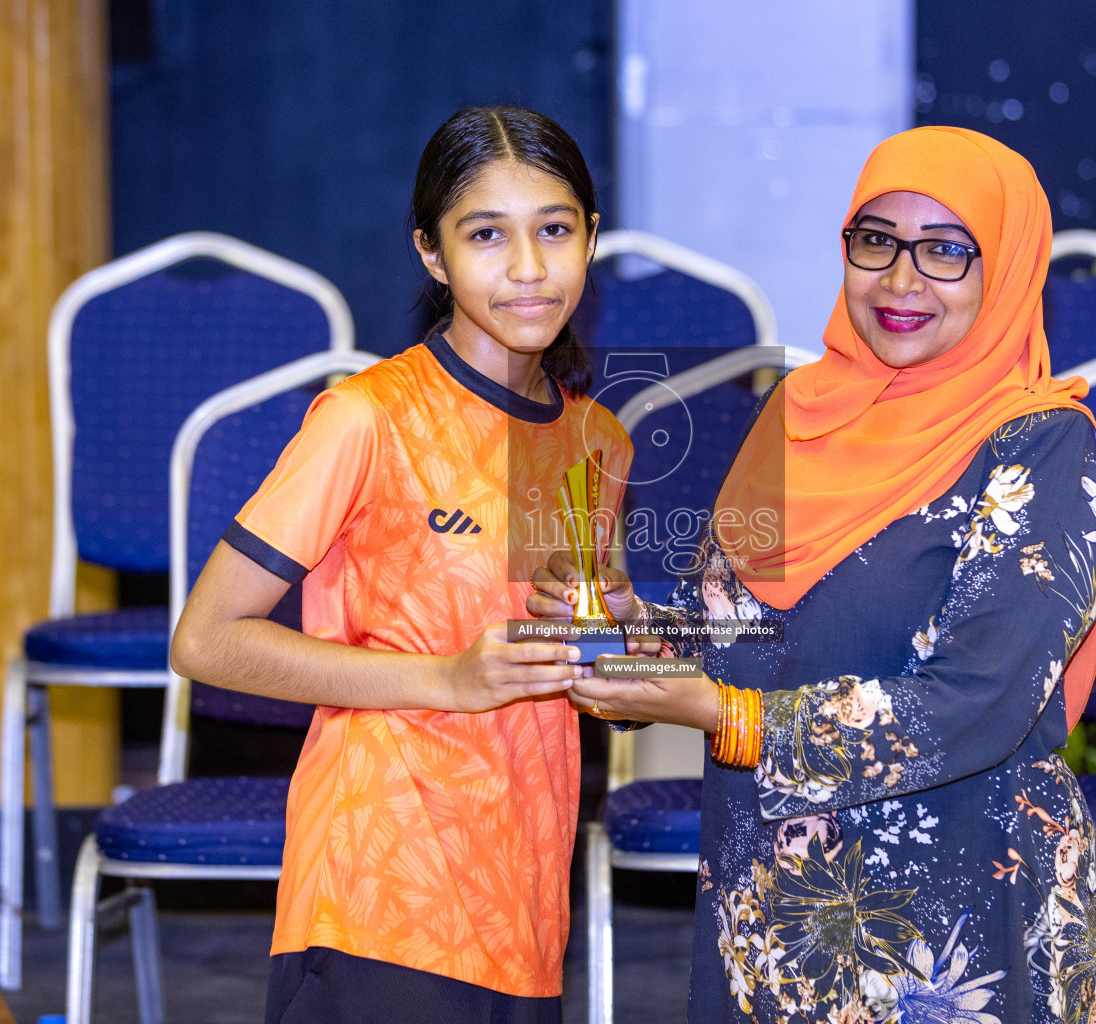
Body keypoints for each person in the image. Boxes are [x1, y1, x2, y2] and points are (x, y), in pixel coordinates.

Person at [530, 126, 1096, 1023]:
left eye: (948, 251)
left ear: (1005, 270)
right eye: (876, 239)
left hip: (954, 917)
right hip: (771, 908)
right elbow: (729, 633)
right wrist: (633, 627)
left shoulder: (1043, 447)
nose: (901, 279)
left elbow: (975, 702)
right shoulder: (794, 417)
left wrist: (721, 712)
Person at [171, 105, 633, 1024]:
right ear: (432, 254)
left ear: (592, 239)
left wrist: (622, 639)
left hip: (527, 880)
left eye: (555, 230)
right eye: (486, 235)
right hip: (382, 873)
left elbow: (592, 674)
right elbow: (207, 640)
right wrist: (445, 678)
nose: (530, 267)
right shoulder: (364, 416)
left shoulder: (598, 439)